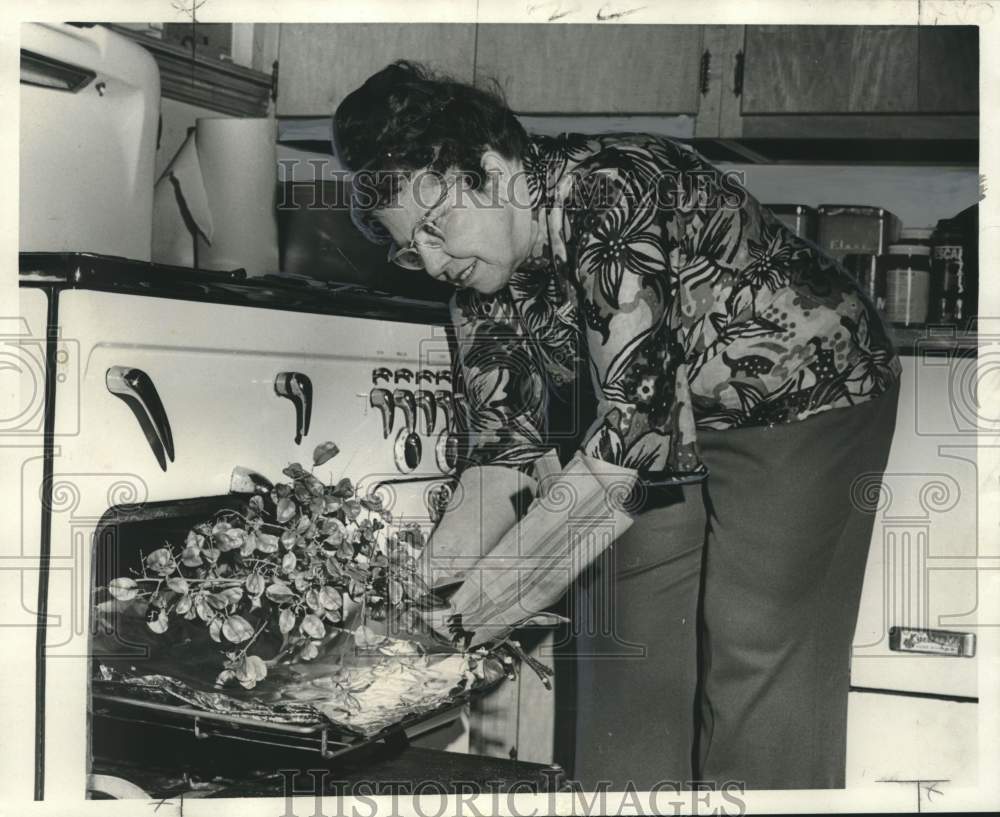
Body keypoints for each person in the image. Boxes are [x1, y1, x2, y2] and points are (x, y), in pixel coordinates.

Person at [333, 60, 900, 791]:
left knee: (754, 646)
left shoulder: (606, 195)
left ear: (494, 169)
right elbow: (501, 461)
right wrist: (415, 600)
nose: (435, 260)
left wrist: (466, 618)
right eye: (414, 246)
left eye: (439, 227)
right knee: (625, 652)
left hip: (805, 391)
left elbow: (628, 448)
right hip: (653, 430)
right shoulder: (481, 281)